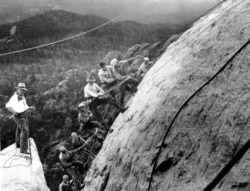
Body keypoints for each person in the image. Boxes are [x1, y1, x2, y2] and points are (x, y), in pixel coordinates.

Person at [5, 82, 35, 154]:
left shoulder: (22, 97)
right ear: (18, 89)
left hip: (23, 114)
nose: (23, 91)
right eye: (21, 90)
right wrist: (14, 111)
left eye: (24, 90)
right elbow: (8, 106)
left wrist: (30, 108)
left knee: (19, 130)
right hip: (18, 116)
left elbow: (25, 106)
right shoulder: (14, 97)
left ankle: (18, 145)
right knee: (25, 130)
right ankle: (23, 149)